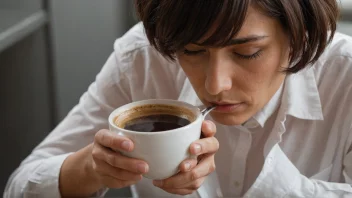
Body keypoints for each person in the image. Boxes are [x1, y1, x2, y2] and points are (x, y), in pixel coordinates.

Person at [4, 0, 352, 197]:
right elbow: (19, 187)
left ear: (300, 37)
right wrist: (93, 168)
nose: (215, 85)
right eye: (192, 51)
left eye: (247, 52)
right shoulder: (143, 58)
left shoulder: (345, 76)